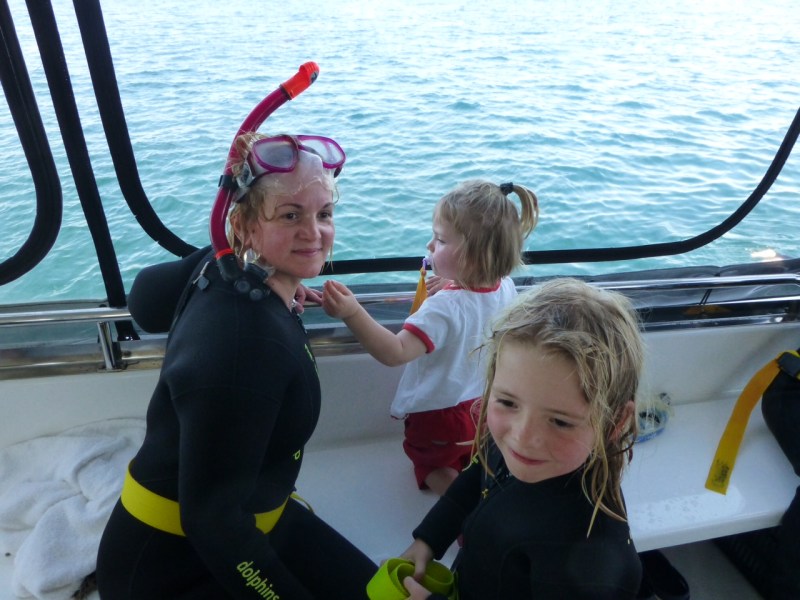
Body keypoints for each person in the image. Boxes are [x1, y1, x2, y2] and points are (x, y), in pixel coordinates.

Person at [96, 132, 377, 599]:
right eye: (290, 215)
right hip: (170, 568)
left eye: (324, 213)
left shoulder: (220, 266)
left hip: (259, 517)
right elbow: (212, 522)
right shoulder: (246, 349)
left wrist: (279, 284)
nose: (314, 233)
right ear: (244, 226)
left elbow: (145, 300)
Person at [397, 278, 645, 599]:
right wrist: (429, 539)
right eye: (507, 402)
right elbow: (475, 478)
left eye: (560, 421)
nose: (522, 437)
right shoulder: (511, 445)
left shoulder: (592, 559)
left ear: (616, 421)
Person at [322, 180, 539, 495]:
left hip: (439, 415)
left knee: (431, 463)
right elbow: (476, 305)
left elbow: (395, 352)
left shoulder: (443, 308)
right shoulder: (505, 286)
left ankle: (465, 506)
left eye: (439, 239)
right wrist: (454, 282)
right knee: (470, 453)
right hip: (481, 404)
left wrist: (352, 311)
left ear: (473, 256)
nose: (429, 245)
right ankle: (490, 488)